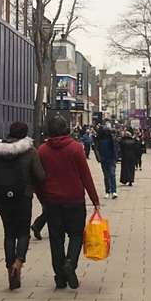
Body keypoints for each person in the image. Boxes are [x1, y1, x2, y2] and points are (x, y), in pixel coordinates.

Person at [36, 113, 101, 290]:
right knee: (76, 235)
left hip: (52, 201)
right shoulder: (75, 148)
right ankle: (70, 263)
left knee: (56, 239)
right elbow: (85, 175)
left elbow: (38, 179)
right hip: (74, 199)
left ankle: (59, 277)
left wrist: (43, 199)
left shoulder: (42, 150)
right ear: (66, 128)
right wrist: (95, 199)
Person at [0, 121, 44, 290]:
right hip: (23, 197)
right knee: (23, 233)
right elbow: (40, 175)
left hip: (3, 198)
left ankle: (9, 268)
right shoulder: (30, 152)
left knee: (9, 234)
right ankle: (19, 262)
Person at [94, 121, 118, 198]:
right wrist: (99, 158)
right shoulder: (100, 140)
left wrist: (115, 157)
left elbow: (115, 148)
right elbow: (96, 149)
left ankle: (113, 191)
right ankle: (108, 191)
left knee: (111, 174)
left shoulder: (111, 139)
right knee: (108, 175)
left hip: (110, 159)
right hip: (104, 159)